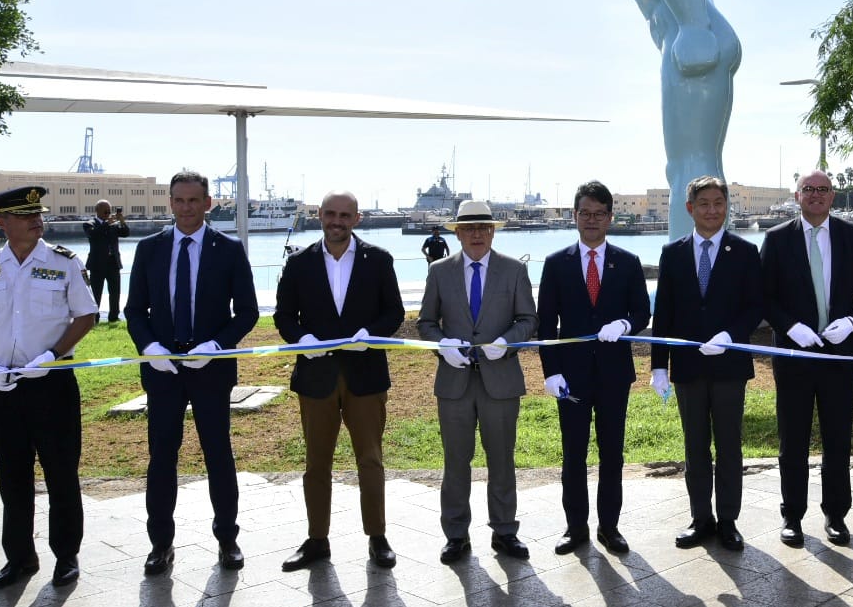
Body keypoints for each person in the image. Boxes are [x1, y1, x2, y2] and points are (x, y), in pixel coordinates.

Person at [525, 0, 741, 242]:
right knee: (691, 168)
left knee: (691, 169)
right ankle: (707, 274)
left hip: (693, 42)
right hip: (687, 39)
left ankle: (694, 280)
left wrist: (693, 29)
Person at [0, 187, 97, 589]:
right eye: (24, 214)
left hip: (51, 383)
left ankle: (66, 555)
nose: (37, 220)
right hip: (3, 385)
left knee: (61, 472)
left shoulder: (63, 262)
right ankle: (19, 558)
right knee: (12, 475)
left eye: (38, 213)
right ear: (2, 222)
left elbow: (85, 315)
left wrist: (53, 355)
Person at [124, 170, 259, 576]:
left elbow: (248, 312)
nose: (186, 208)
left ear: (208, 203)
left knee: (218, 453)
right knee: (162, 457)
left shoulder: (229, 249)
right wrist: (149, 348)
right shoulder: (149, 249)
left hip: (210, 370)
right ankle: (161, 543)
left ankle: (227, 538)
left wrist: (216, 346)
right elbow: (134, 311)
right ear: (170, 203)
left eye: (193, 200)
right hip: (163, 371)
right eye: (179, 201)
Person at [273, 191, 406, 571]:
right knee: (317, 463)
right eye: (331, 213)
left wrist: (371, 333)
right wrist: (303, 340)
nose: (337, 221)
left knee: (370, 459)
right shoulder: (299, 263)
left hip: (366, 376)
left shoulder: (378, 260)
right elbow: (284, 316)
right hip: (317, 377)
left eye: (345, 215)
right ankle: (317, 539)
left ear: (357, 219)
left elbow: (393, 311)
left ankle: (377, 537)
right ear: (319, 216)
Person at [762, 169, 853, 547]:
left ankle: (836, 515)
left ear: (832, 196)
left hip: (840, 356)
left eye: (823, 189)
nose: (815, 195)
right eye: (808, 189)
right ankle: (792, 516)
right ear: (797, 197)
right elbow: (764, 296)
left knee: (837, 439)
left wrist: (852, 321)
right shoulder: (777, 239)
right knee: (792, 440)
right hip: (794, 355)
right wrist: (789, 326)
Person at [417, 199, 537, 564]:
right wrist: (442, 345)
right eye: (469, 228)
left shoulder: (513, 270)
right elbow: (425, 322)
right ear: (457, 233)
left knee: (501, 459)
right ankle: (456, 535)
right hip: (454, 382)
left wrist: (506, 343)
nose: (477, 234)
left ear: (492, 231)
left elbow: (528, 319)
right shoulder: (439, 271)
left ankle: (505, 532)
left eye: (484, 228)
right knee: (456, 461)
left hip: (500, 380)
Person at [538, 181, 652, 555]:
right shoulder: (556, 263)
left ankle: (610, 526)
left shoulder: (628, 261)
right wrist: (550, 371)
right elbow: (545, 324)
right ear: (574, 216)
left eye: (599, 213)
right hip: (569, 377)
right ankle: (575, 528)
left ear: (610, 217)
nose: (591, 220)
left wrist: (623, 325)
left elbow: (641, 312)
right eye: (584, 213)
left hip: (613, 375)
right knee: (573, 454)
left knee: (612, 453)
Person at [650, 175, 763, 550]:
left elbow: (754, 307)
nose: (712, 210)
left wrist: (732, 335)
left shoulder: (745, 252)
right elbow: (662, 312)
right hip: (687, 368)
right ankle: (701, 519)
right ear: (690, 209)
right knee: (695, 445)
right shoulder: (673, 253)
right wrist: (658, 366)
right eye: (704, 204)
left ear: (726, 206)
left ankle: (728, 520)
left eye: (718, 203)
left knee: (729, 445)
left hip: (730, 367)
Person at [82, 200, 131, 322]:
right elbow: (94, 235)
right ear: (97, 211)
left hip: (113, 262)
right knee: (96, 292)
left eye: (109, 211)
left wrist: (121, 221)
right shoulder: (89, 224)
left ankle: (114, 316)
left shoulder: (113, 225)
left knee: (115, 292)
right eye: (105, 211)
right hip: (97, 264)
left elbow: (125, 233)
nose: (108, 214)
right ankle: (95, 317)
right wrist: (106, 224)